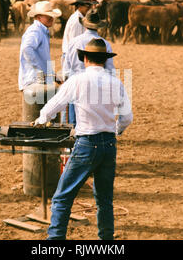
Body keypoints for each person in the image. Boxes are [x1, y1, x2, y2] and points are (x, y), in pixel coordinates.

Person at [32, 38, 133, 240]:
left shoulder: (77, 80)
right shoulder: (116, 82)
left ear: (85, 58)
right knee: (104, 199)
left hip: (87, 143)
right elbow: (127, 117)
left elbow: (55, 104)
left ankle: (55, 241)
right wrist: (116, 130)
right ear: (104, 60)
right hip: (109, 144)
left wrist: (42, 119)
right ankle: (106, 240)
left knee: (62, 198)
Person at [63, 8, 116, 125]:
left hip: (76, 83)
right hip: (97, 84)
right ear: (98, 26)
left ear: (85, 25)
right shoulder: (105, 44)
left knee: (73, 119)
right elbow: (110, 69)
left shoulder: (74, 42)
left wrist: (66, 82)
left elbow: (66, 67)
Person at [18, 0, 62, 91]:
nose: (51, 18)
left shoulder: (40, 31)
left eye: (51, 16)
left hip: (37, 80)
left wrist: (52, 75)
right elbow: (26, 48)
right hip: (34, 80)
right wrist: (39, 69)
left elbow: (42, 57)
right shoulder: (35, 30)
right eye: (48, 16)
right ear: (38, 17)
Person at [61, 0, 97, 68]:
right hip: (73, 56)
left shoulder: (80, 18)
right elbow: (75, 44)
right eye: (88, 5)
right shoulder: (77, 21)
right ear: (79, 6)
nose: (90, 7)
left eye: (91, 5)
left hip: (72, 55)